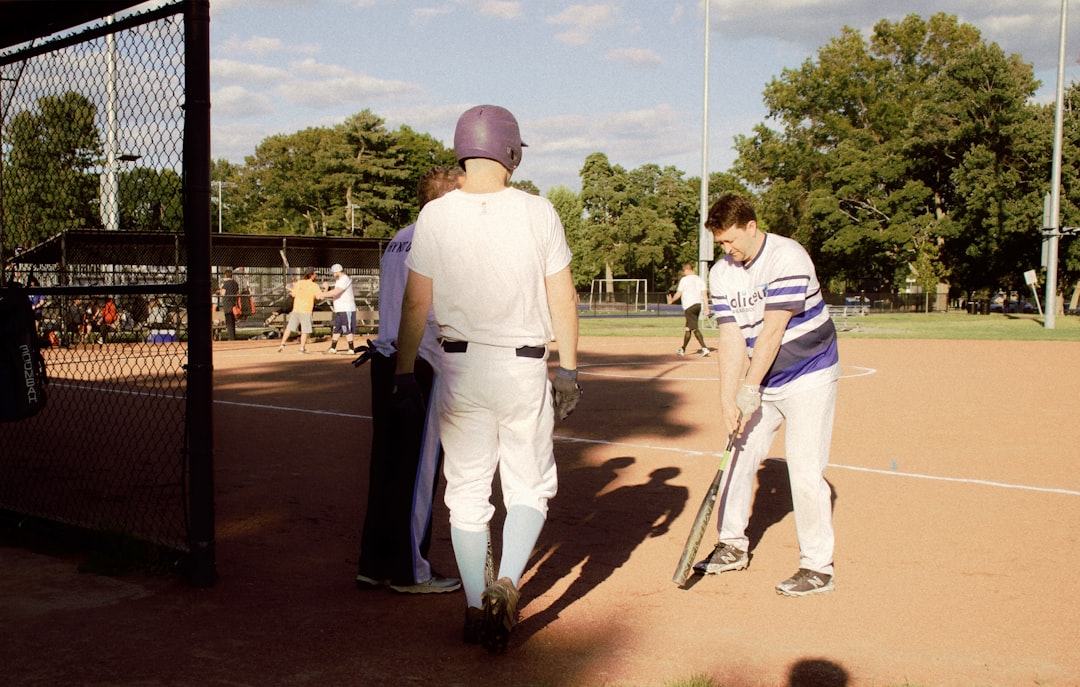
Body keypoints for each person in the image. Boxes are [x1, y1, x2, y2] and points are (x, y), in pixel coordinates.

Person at [394, 105, 581, 654]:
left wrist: (405, 372)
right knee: (528, 485)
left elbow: (415, 303)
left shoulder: (434, 217)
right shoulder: (538, 210)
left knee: (468, 495)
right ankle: (509, 582)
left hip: (459, 368)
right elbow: (562, 296)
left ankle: (476, 605)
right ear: (511, 152)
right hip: (521, 366)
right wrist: (567, 367)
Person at [694, 193, 840, 597]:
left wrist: (749, 387)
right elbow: (731, 337)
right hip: (765, 377)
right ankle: (732, 545)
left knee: (805, 468)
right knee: (739, 454)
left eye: (730, 241)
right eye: (720, 244)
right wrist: (727, 399)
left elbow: (773, 331)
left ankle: (817, 566)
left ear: (751, 226)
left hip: (808, 372)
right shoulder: (723, 274)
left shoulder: (787, 257)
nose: (727, 250)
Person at [354, 165, 464, 596]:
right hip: (420, 362)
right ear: (447, 198)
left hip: (387, 359)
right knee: (418, 472)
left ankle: (374, 563)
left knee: (386, 466)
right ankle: (410, 571)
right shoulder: (442, 240)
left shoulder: (399, 237)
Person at [666, 263, 710, 357]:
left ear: (686, 269)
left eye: (684, 271)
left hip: (689, 306)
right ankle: (682, 349)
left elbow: (679, 293)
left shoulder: (684, 280)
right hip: (698, 305)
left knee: (694, 328)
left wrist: (672, 300)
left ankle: (704, 348)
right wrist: (706, 308)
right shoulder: (700, 279)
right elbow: (704, 295)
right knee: (688, 328)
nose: (684, 273)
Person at [277, 268, 321, 353]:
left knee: (289, 327)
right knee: (305, 330)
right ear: (311, 275)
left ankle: (282, 344)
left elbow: (293, 293)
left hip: (296, 309)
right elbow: (320, 297)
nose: (315, 275)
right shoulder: (314, 285)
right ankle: (301, 348)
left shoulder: (299, 283)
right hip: (306, 310)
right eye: (315, 274)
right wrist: (326, 289)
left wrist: (294, 287)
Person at [319, 264, 357, 354]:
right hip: (339, 309)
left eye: (333, 273)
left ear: (337, 272)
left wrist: (323, 294)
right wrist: (326, 289)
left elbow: (336, 292)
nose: (332, 275)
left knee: (347, 328)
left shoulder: (345, 279)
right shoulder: (339, 280)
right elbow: (334, 291)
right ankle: (333, 348)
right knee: (337, 328)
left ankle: (351, 349)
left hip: (346, 308)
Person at [217, 269, 240, 340]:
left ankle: (231, 338)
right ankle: (233, 336)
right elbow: (237, 292)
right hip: (234, 303)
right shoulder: (235, 283)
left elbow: (223, 294)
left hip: (227, 304)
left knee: (229, 321)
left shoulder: (225, 284)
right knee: (233, 321)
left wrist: (221, 288)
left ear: (225, 275)